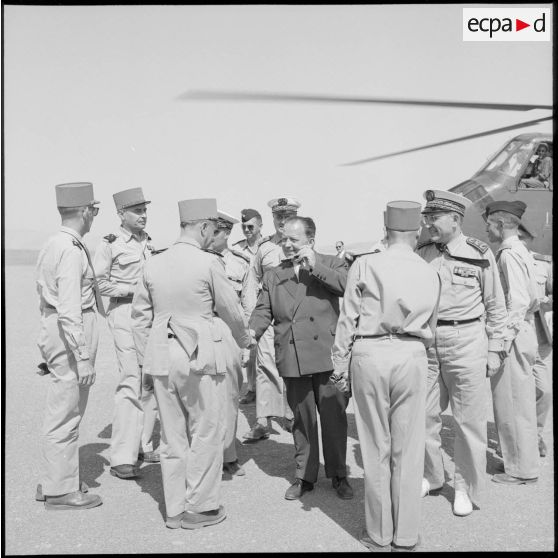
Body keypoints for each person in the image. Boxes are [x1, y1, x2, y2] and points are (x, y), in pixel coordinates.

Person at [131, 199, 251, 530]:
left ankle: (174, 509)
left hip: (161, 355)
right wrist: (245, 340)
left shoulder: (154, 262)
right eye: (212, 229)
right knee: (206, 430)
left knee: (171, 436)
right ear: (203, 227)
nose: (213, 235)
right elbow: (230, 309)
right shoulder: (208, 262)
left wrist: (146, 360)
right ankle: (200, 507)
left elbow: (139, 318)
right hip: (200, 355)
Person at [332, 201, 441, 552]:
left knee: (375, 445)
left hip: (370, 352)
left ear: (386, 230)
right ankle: (406, 536)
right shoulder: (429, 270)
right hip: (412, 353)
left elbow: (347, 318)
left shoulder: (365, 263)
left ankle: (379, 534)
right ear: (417, 231)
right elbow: (433, 325)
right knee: (408, 449)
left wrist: (339, 365)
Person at [416, 189, 507, 517]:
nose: (428, 223)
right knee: (422, 415)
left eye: (434, 217)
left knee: (469, 422)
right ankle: (432, 476)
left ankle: (465, 487)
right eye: (426, 217)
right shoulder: (422, 253)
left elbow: (496, 306)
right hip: (428, 343)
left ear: (455, 219)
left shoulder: (479, 253)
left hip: (466, 340)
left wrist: (495, 349)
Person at [249, 216, 352, 500]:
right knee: (302, 420)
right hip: (292, 355)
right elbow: (263, 310)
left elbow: (347, 287)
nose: (287, 245)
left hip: (328, 355)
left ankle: (339, 474)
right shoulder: (274, 274)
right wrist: (252, 332)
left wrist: (315, 266)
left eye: (294, 240)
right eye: (284, 239)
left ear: (311, 241)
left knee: (334, 418)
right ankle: (304, 476)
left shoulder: (331, 263)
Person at [35, 182, 103, 510]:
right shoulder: (71, 250)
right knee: (66, 413)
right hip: (71, 331)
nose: (94, 216)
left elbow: (45, 302)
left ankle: (56, 479)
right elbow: (69, 309)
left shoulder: (54, 243)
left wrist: (47, 348)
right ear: (85, 211)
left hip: (57, 330)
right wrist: (83, 356)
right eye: (95, 210)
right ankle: (60, 491)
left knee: (62, 408)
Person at [94, 187, 159, 481]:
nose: (143, 215)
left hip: (149, 316)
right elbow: (98, 283)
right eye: (137, 211)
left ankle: (142, 446)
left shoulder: (148, 241)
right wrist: (133, 290)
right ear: (121, 214)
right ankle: (122, 458)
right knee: (131, 380)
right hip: (125, 312)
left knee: (149, 380)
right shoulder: (111, 243)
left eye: (145, 210)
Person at [485, 200, 540, 485]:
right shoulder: (521, 250)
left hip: (514, 334)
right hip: (523, 330)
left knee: (512, 404)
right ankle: (518, 461)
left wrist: (503, 342)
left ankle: (520, 470)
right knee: (518, 403)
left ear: (501, 224)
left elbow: (517, 302)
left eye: (489, 224)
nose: (487, 229)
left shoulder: (508, 255)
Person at [242, 196, 299, 442]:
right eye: (278, 216)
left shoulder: (301, 245)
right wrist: (251, 318)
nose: (282, 221)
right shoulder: (264, 249)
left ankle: (291, 414)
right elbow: (251, 283)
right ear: (273, 219)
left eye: (288, 216)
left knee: (292, 366)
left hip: (295, 319)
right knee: (264, 366)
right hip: (269, 318)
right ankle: (262, 421)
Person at [209, 210, 252, 477]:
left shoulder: (240, 263)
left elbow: (247, 304)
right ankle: (204, 457)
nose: (210, 236)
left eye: (216, 232)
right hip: (201, 328)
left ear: (226, 233)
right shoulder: (197, 259)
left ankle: (228, 455)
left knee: (230, 395)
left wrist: (246, 343)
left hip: (229, 332)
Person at [517, 224, 553, 457]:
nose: (519, 241)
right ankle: (514, 441)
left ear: (531, 239)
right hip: (517, 337)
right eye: (517, 237)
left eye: (523, 238)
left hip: (540, 338)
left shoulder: (543, 264)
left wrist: (545, 301)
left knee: (545, 391)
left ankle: (536, 435)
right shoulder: (505, 260)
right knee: (516, 393)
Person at [233, 208, 263, 405]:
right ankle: (252, 388)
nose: (247, 230)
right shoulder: (237, 249)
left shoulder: (268, 246)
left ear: (260, 225)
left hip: (265, 301)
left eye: (250, 226)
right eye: (244, 226)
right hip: (246, 304)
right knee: (250, 349)